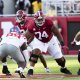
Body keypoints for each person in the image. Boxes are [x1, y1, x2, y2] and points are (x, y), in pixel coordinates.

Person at [24, 11, 72, 75]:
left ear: (44, 18)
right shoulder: (31, 25)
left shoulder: (49, 22)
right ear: (35, 20)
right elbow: (25, 36)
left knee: (60, 60)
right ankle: (30, 69)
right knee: (35, 53)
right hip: (39, 41)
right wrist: (22, 44)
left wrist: (62, 43)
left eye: (41, 19)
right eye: (38, 19)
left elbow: (57, 33)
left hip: (51, 40)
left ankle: (63, 68)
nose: (40, 21)